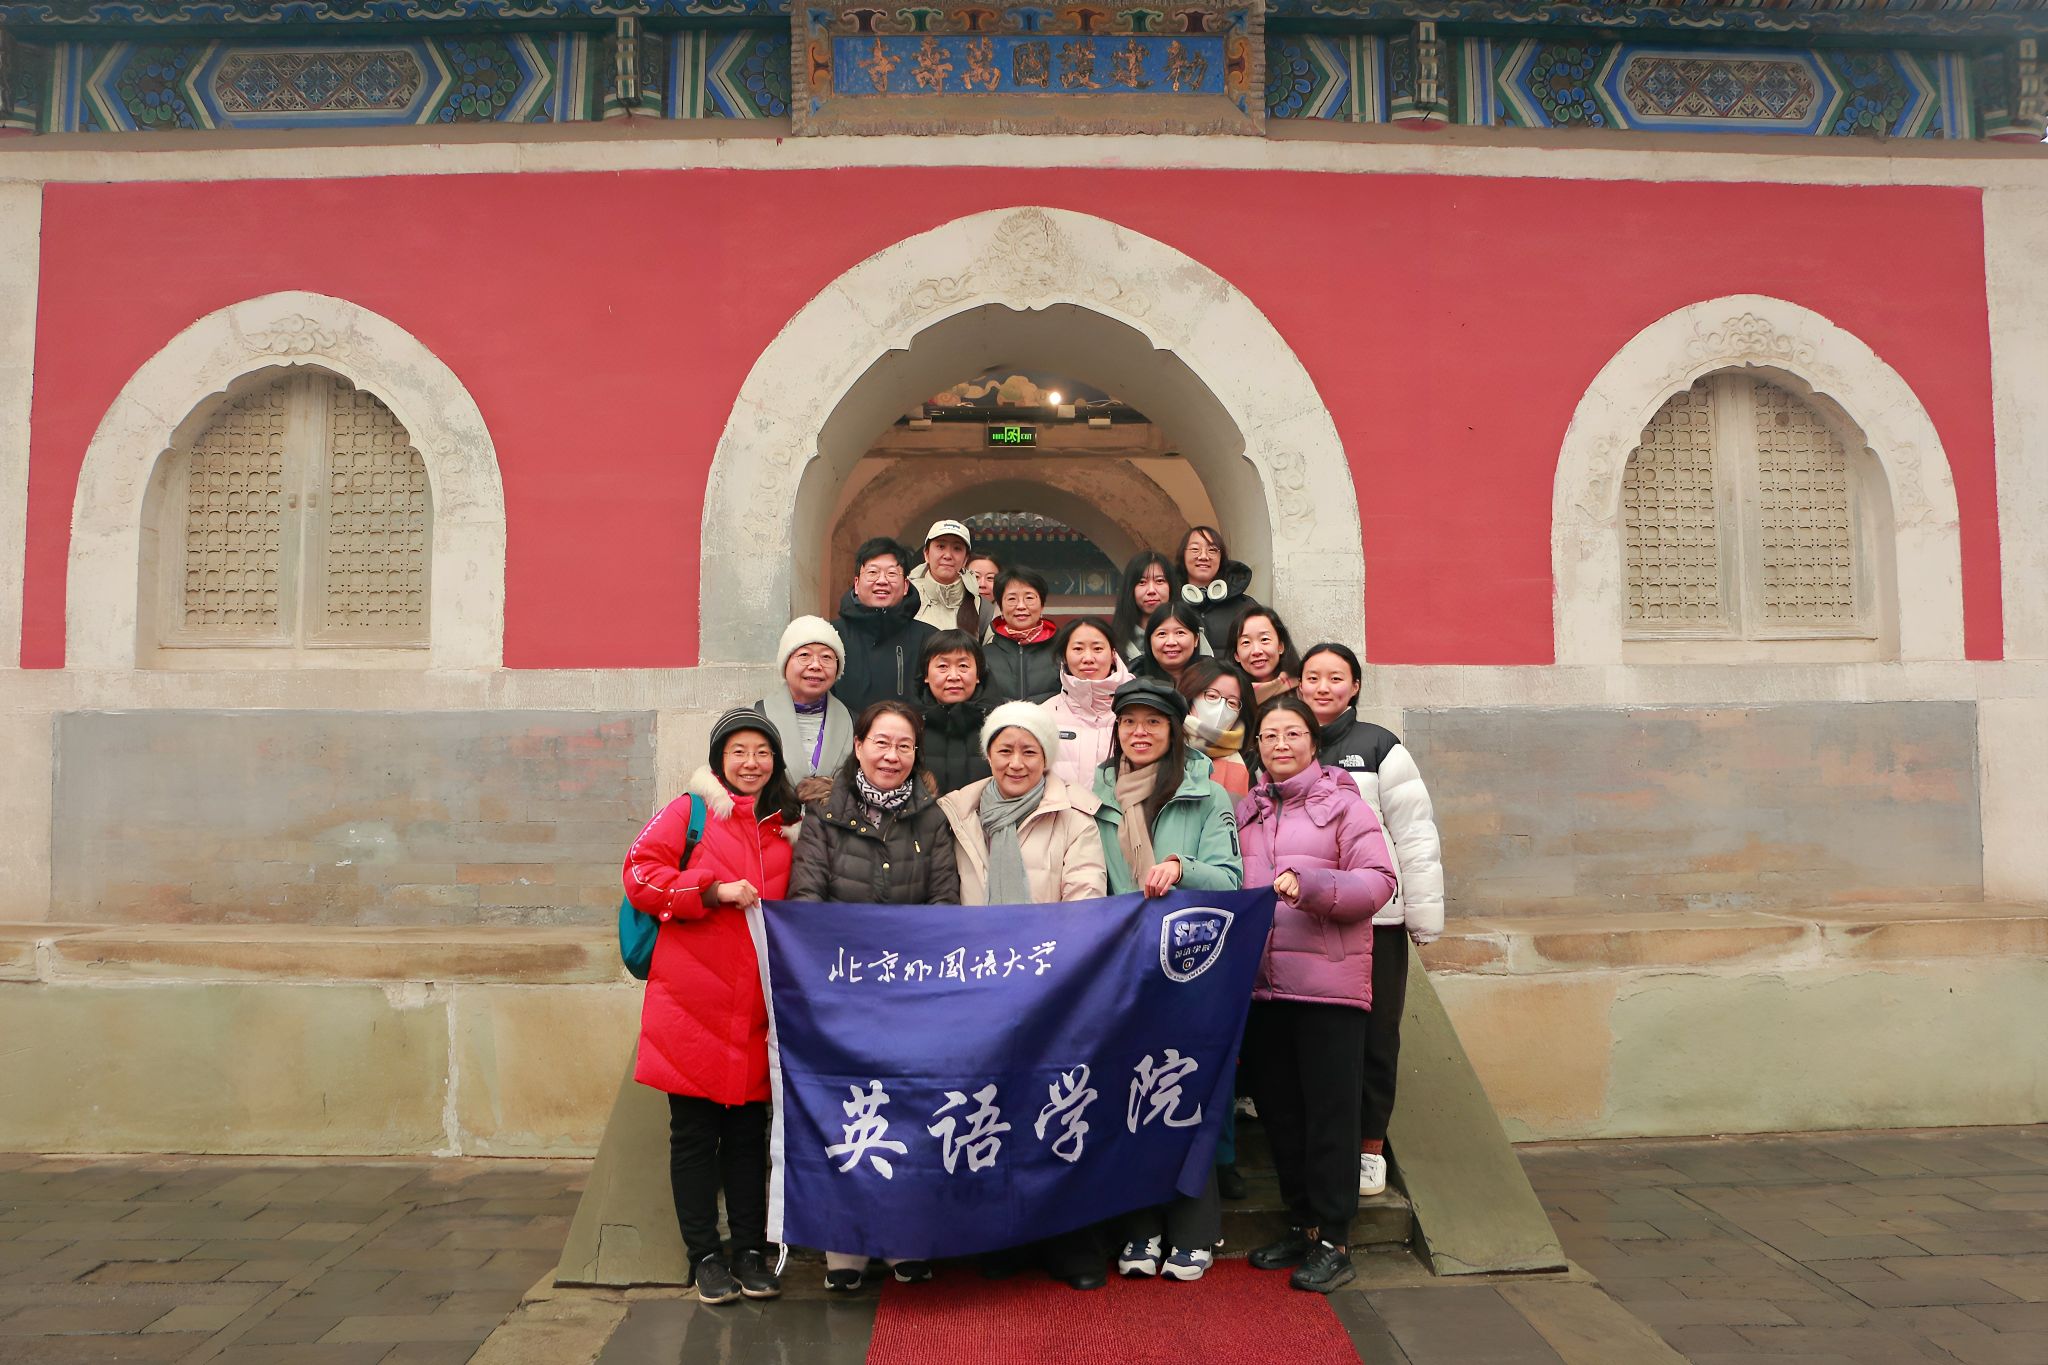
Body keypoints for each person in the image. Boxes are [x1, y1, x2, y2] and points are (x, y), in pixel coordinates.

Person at [622, 707, 802, 1307]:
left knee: (750, 1136)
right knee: (695, 1135)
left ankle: (749, 1251)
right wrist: (710, 889)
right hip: (691, 1002)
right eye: (738, 751)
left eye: (762, 752)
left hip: (757, 1011)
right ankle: (703, 1255)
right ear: (720, 759)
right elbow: (638, 874)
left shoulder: (787, 827)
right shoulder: (689, 812)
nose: (751, 763)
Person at [788, 700, 960, 1291]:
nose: (892, 756)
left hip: (912, 995)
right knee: (848, 1114)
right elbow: (806, 899)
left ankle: (906, 1240)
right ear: (859, 746)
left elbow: (944, 903)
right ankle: (846, 1246)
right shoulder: (824, 815)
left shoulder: (931, 819)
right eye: (881, 743)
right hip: (843, 995)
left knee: (909, 1115)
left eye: (904, 746)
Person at [938, 701, 1109, 1291]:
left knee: (1059, 1111)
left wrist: (1050, 977)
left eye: (1029, 752)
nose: (1016, 762)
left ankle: (1070, 1243)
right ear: (988, 753)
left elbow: (1086, 902)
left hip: (1052, 991)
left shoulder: (1075, 818)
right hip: (977, 992)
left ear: (1046, 758)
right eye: (1004, 749)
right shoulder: (955, 814)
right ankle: (1004, 1238)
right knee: (994, 1114)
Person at [1236, 696, 1398, 1295]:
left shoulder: (1345, 806)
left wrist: (1310, 885)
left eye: (1292, 733)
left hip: (1328, 988)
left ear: (1314, 741)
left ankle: (1335, 1239)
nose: (1280, 744)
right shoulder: (1248, 812)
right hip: (1264, 988)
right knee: (1282, 1113)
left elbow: (1378, 882)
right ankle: (1302, 1224)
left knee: (1331, 1114)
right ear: (1256, 745)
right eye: (1269, 735)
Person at [1091, 678, 1243, 1284]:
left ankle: (1194, 1228)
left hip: (1189, 969)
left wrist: (1182, 867)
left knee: (1184, 1096)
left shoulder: (1206, 794)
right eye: (1130, 721)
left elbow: (1230, 880)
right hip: (1121, 971)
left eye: (1153, 722)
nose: (1140, 732)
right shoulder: (1095, 795)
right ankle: (1139, 1227)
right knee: (1128, 1097)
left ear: (1174, 731)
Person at [1297, 642, 1445, 1201]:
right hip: (1307, 917)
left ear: (1355, 686)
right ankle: (1319, 1141)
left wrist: (1423, 915)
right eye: (1313, 677)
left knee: (1378, 1035)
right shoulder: (1284, 739)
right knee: (1319, 1036)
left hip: (1377, 916)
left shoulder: (1379, 745)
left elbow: (1414, 833)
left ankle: (1369, 1147)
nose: (1324, 687)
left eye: (1336, 677)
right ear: (1298, 684)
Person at [831, 538, 937, 715]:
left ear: (905, 585)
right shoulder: (832, 636)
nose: (882, 580)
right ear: (856, 584)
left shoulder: (929, 639)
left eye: (892, 573)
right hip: (846, 731)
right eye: (873, 572)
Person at [756, 616, 854, 803]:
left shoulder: (854, 722)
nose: (816, 665)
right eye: (804, 655)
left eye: (826, 657)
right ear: (785, 663)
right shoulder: (755, 717)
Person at [1040, 615, 1131, 790]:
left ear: (1113, 654)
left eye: (1097, 649)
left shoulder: (1137, 709)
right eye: (1078, 649)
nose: (1088, 658)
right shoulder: (1043, 716)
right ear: (1064, 656)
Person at [917, 629, 991, 797]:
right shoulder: (910, 724)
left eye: (963, 666)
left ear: (978, 674)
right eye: (943, 666)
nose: (953, 676)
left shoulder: (997, 722)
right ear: (926, 674)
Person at [1176, 657, 1252, 799]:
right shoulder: (1164, 743)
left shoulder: (1249, 764)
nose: (1221, 708)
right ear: (1190, 696)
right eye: (1212, 696)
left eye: (1232, 703)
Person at [983, 566, 1060, 704]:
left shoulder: (1062, 652)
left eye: (1029, 598)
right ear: (1001, 607)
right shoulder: (983, 655)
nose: (1021, 606)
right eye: (1012, 599)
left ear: (1042, 605)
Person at [1176, 525, 1257, 653]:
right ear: (1183, 555)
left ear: (1221, 558)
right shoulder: (1169, 604)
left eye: (1212, 550)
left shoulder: (1246, 607)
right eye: (1195, 549)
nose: (1203, 556)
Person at [907, 518, 983, 636]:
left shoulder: (982, 607)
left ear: (965, 559)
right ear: (926, 554)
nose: (947, 555)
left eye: (957, 548)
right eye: (941, 546)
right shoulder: (906, 597)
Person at [1229, 607, 1304, 711]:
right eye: (1246, 642)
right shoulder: (1227, 697)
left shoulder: (1303, 691)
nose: (1256, 651)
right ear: (1236, 655)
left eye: (1264, 639)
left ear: (1280, 647)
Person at [1109, 551, 1176, 665]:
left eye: (1159, 581)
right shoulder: (1111, 642)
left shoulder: (1190, 633)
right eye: (1142, 582)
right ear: (1130, 589)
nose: (1151, 590)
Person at [1137, 601, 1205, 688]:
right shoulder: (1133, 682)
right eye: (1162, 634)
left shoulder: (1214, 680)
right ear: (1149, 640)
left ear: (1196, 639)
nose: (1171, 642)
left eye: (1180, 633)